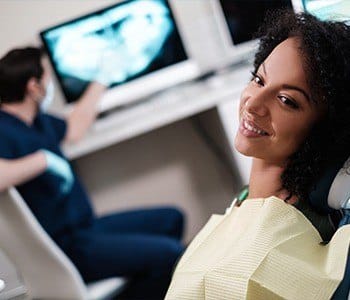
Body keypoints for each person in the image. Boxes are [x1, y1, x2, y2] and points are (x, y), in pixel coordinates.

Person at [166, 10, 350, 300]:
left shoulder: (285, 245)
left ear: (325, 129)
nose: (253, 104)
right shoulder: (247, 198)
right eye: (259, 80)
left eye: (287, 100)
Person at [0, 47, 185, 299]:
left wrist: (103, 77)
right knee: (171, 255)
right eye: (46, 78)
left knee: (172, 219)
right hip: (66, 246)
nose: (49, 83)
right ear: (33, 87)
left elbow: (74, 128)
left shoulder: (37, 120)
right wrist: (43, 161)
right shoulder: (4, 129)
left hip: (86, 227)